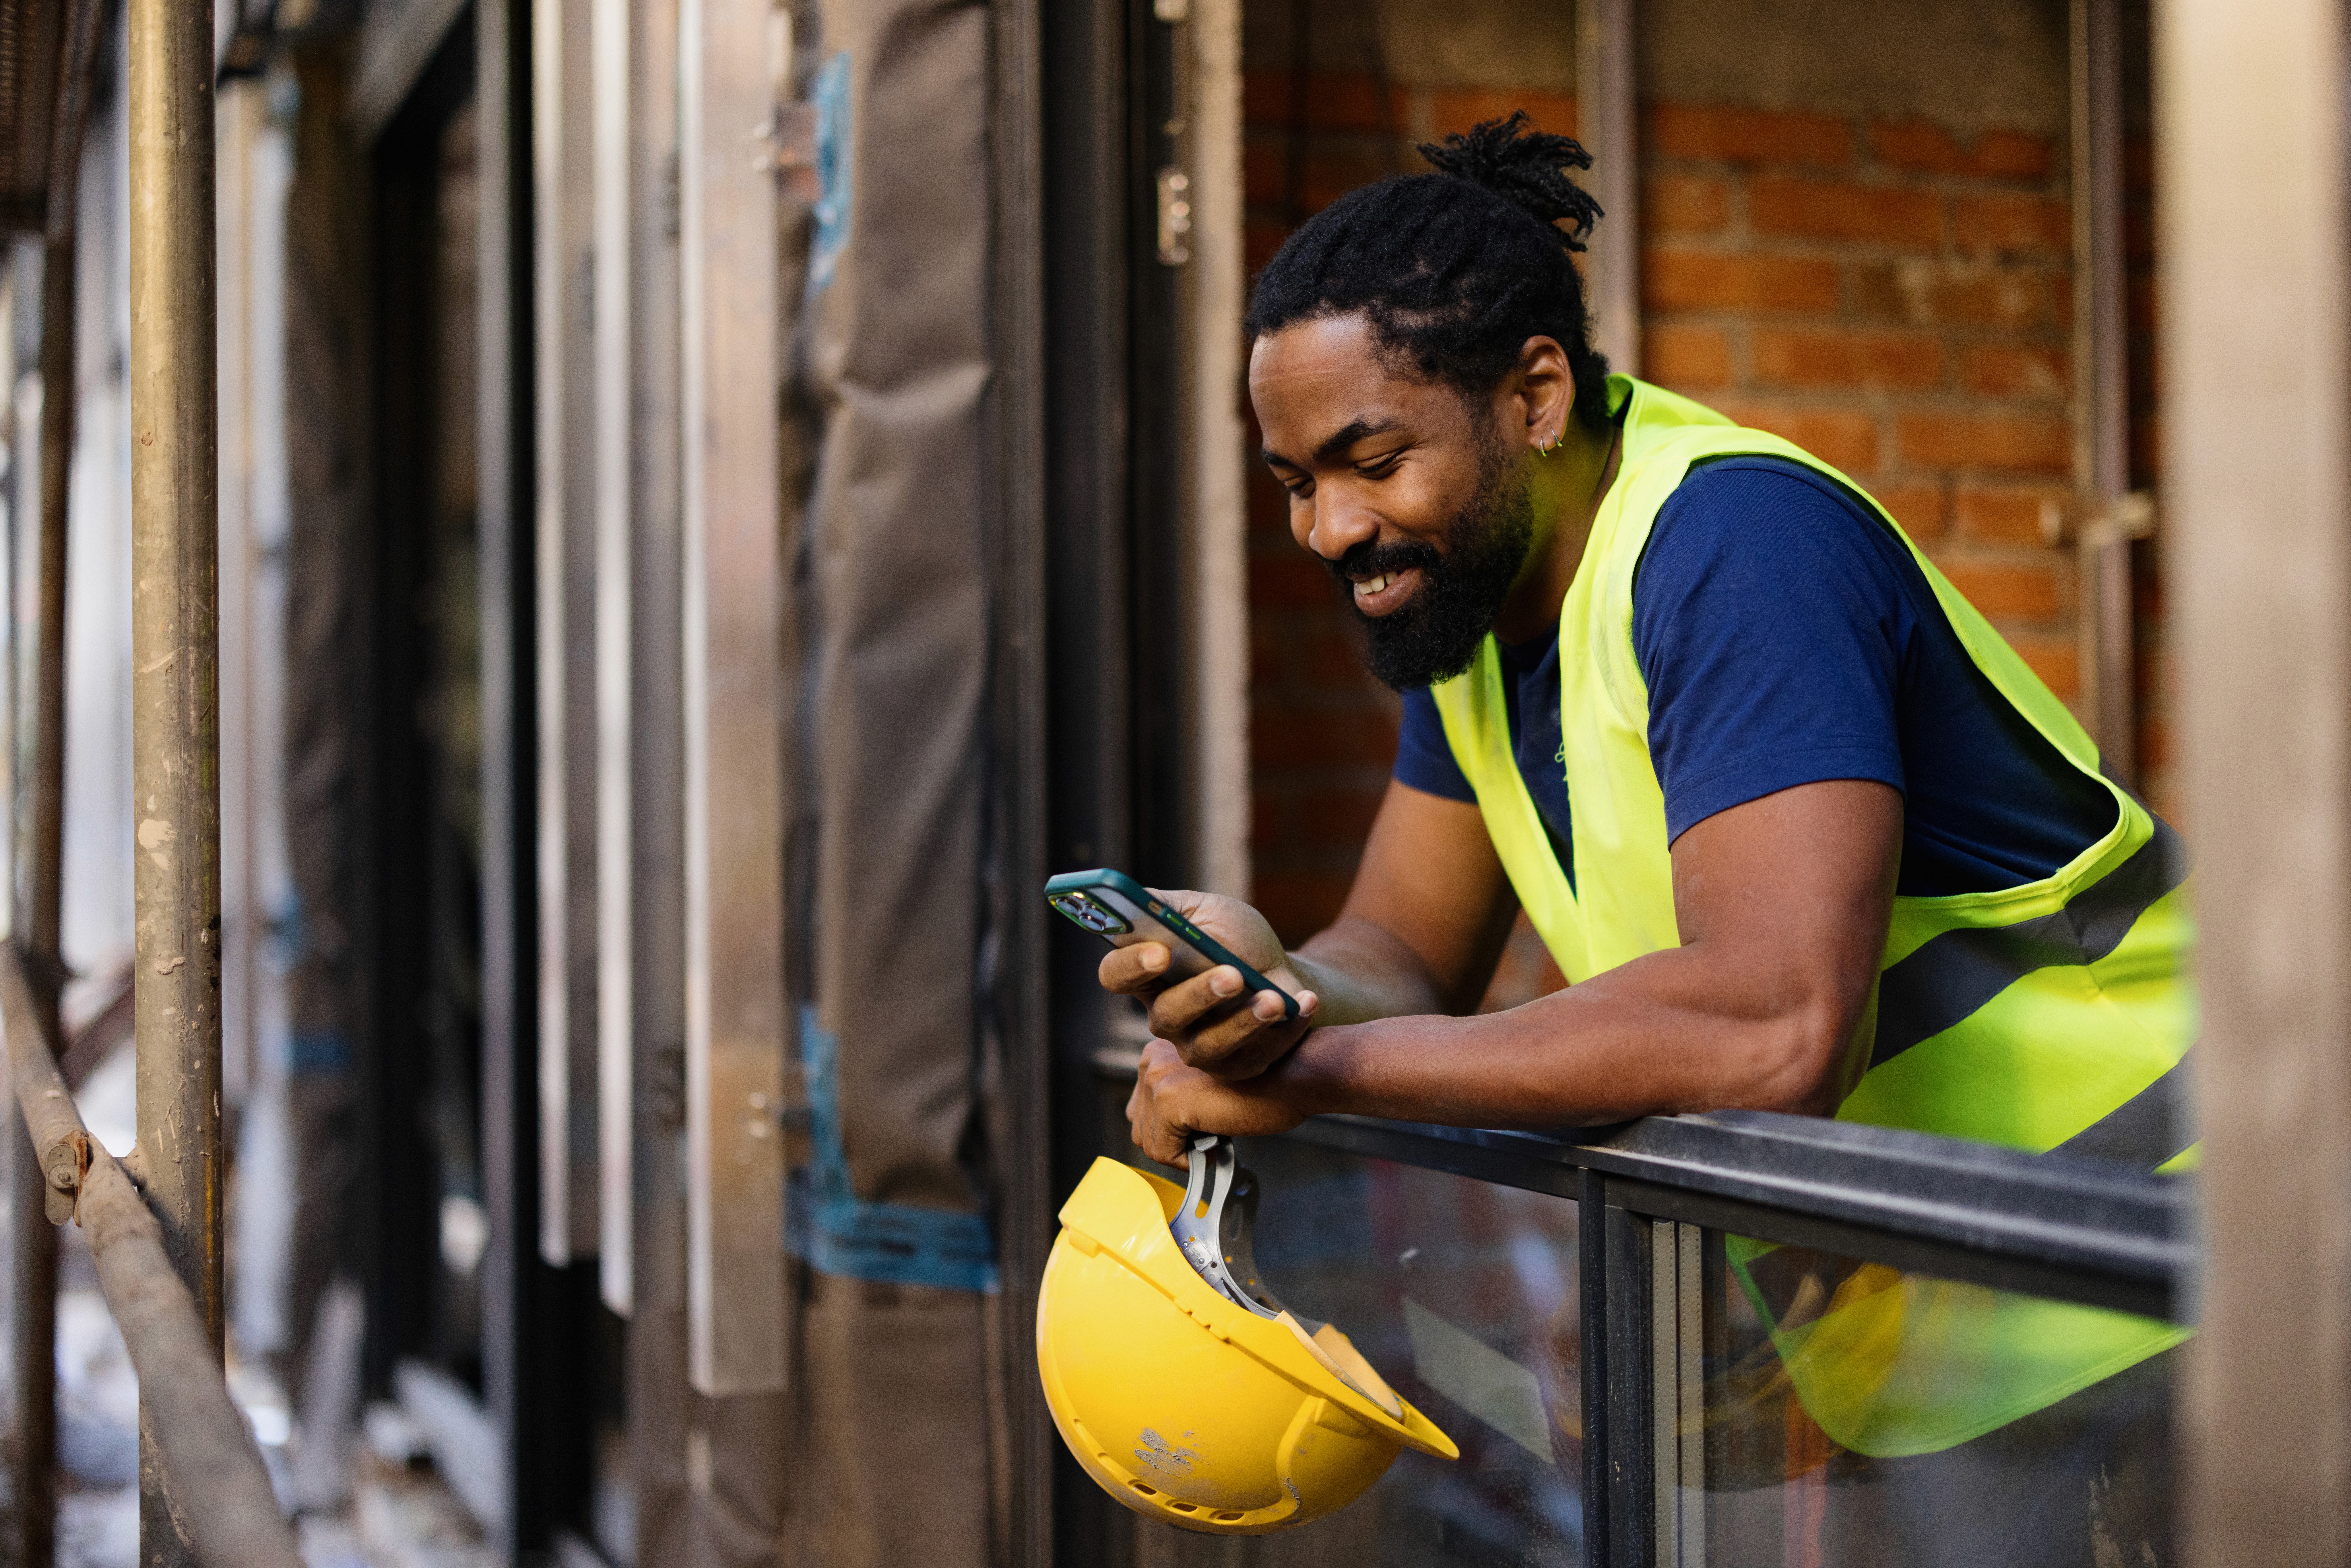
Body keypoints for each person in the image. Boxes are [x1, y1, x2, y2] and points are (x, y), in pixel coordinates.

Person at [1099, 113, 2193, 1468]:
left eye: (1372, 463)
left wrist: (1321, 1073)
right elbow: (1402, 948)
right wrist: (1275, 989)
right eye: (1292, 482)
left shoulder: (1735, 547)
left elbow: (1773, 1024)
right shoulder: (1477, 610)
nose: (1330, 530)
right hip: (1957, 1341)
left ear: (1535, 396)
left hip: (2163, 1288)